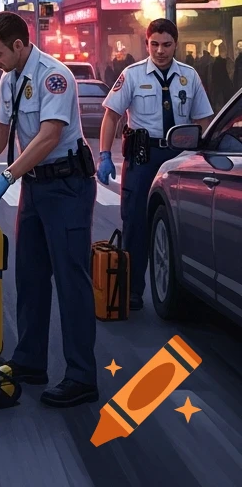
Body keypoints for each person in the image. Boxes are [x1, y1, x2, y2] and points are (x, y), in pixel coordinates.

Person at [0, 12, 98, 408]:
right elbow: (0, 129)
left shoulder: (54, 76)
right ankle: (30, 361)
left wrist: (8, 176)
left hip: (67, 185)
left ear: (19, 45)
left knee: (71, 280)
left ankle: (82, 376)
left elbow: (50, 135)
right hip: (36, 186)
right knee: (30, 276)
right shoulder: (10, 77)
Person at [98, 19, 213, 310]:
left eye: (167, 44)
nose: (160, 51)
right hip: (143, 158)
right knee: (135, 223)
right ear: (146, 43)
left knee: (182, 223)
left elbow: (203, 120)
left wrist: (206, 155)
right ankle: (132, 291)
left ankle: (183, 289)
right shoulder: (133, 75)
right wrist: (103, 155)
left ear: (176, 43)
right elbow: (111, 115)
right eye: (154, 44)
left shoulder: (189, 76)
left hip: (179, 158)